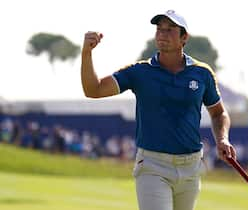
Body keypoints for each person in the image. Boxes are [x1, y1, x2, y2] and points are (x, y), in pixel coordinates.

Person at [81, 9, 237, 210]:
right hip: (153, 166)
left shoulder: (202, 73)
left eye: (170, 29)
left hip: (191, 167)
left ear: (184, 37)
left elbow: (219, 113)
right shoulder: (140, 72)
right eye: (159, 29)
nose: (162, 34)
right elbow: (93, 90)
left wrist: (222, 139)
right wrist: (87, 53)